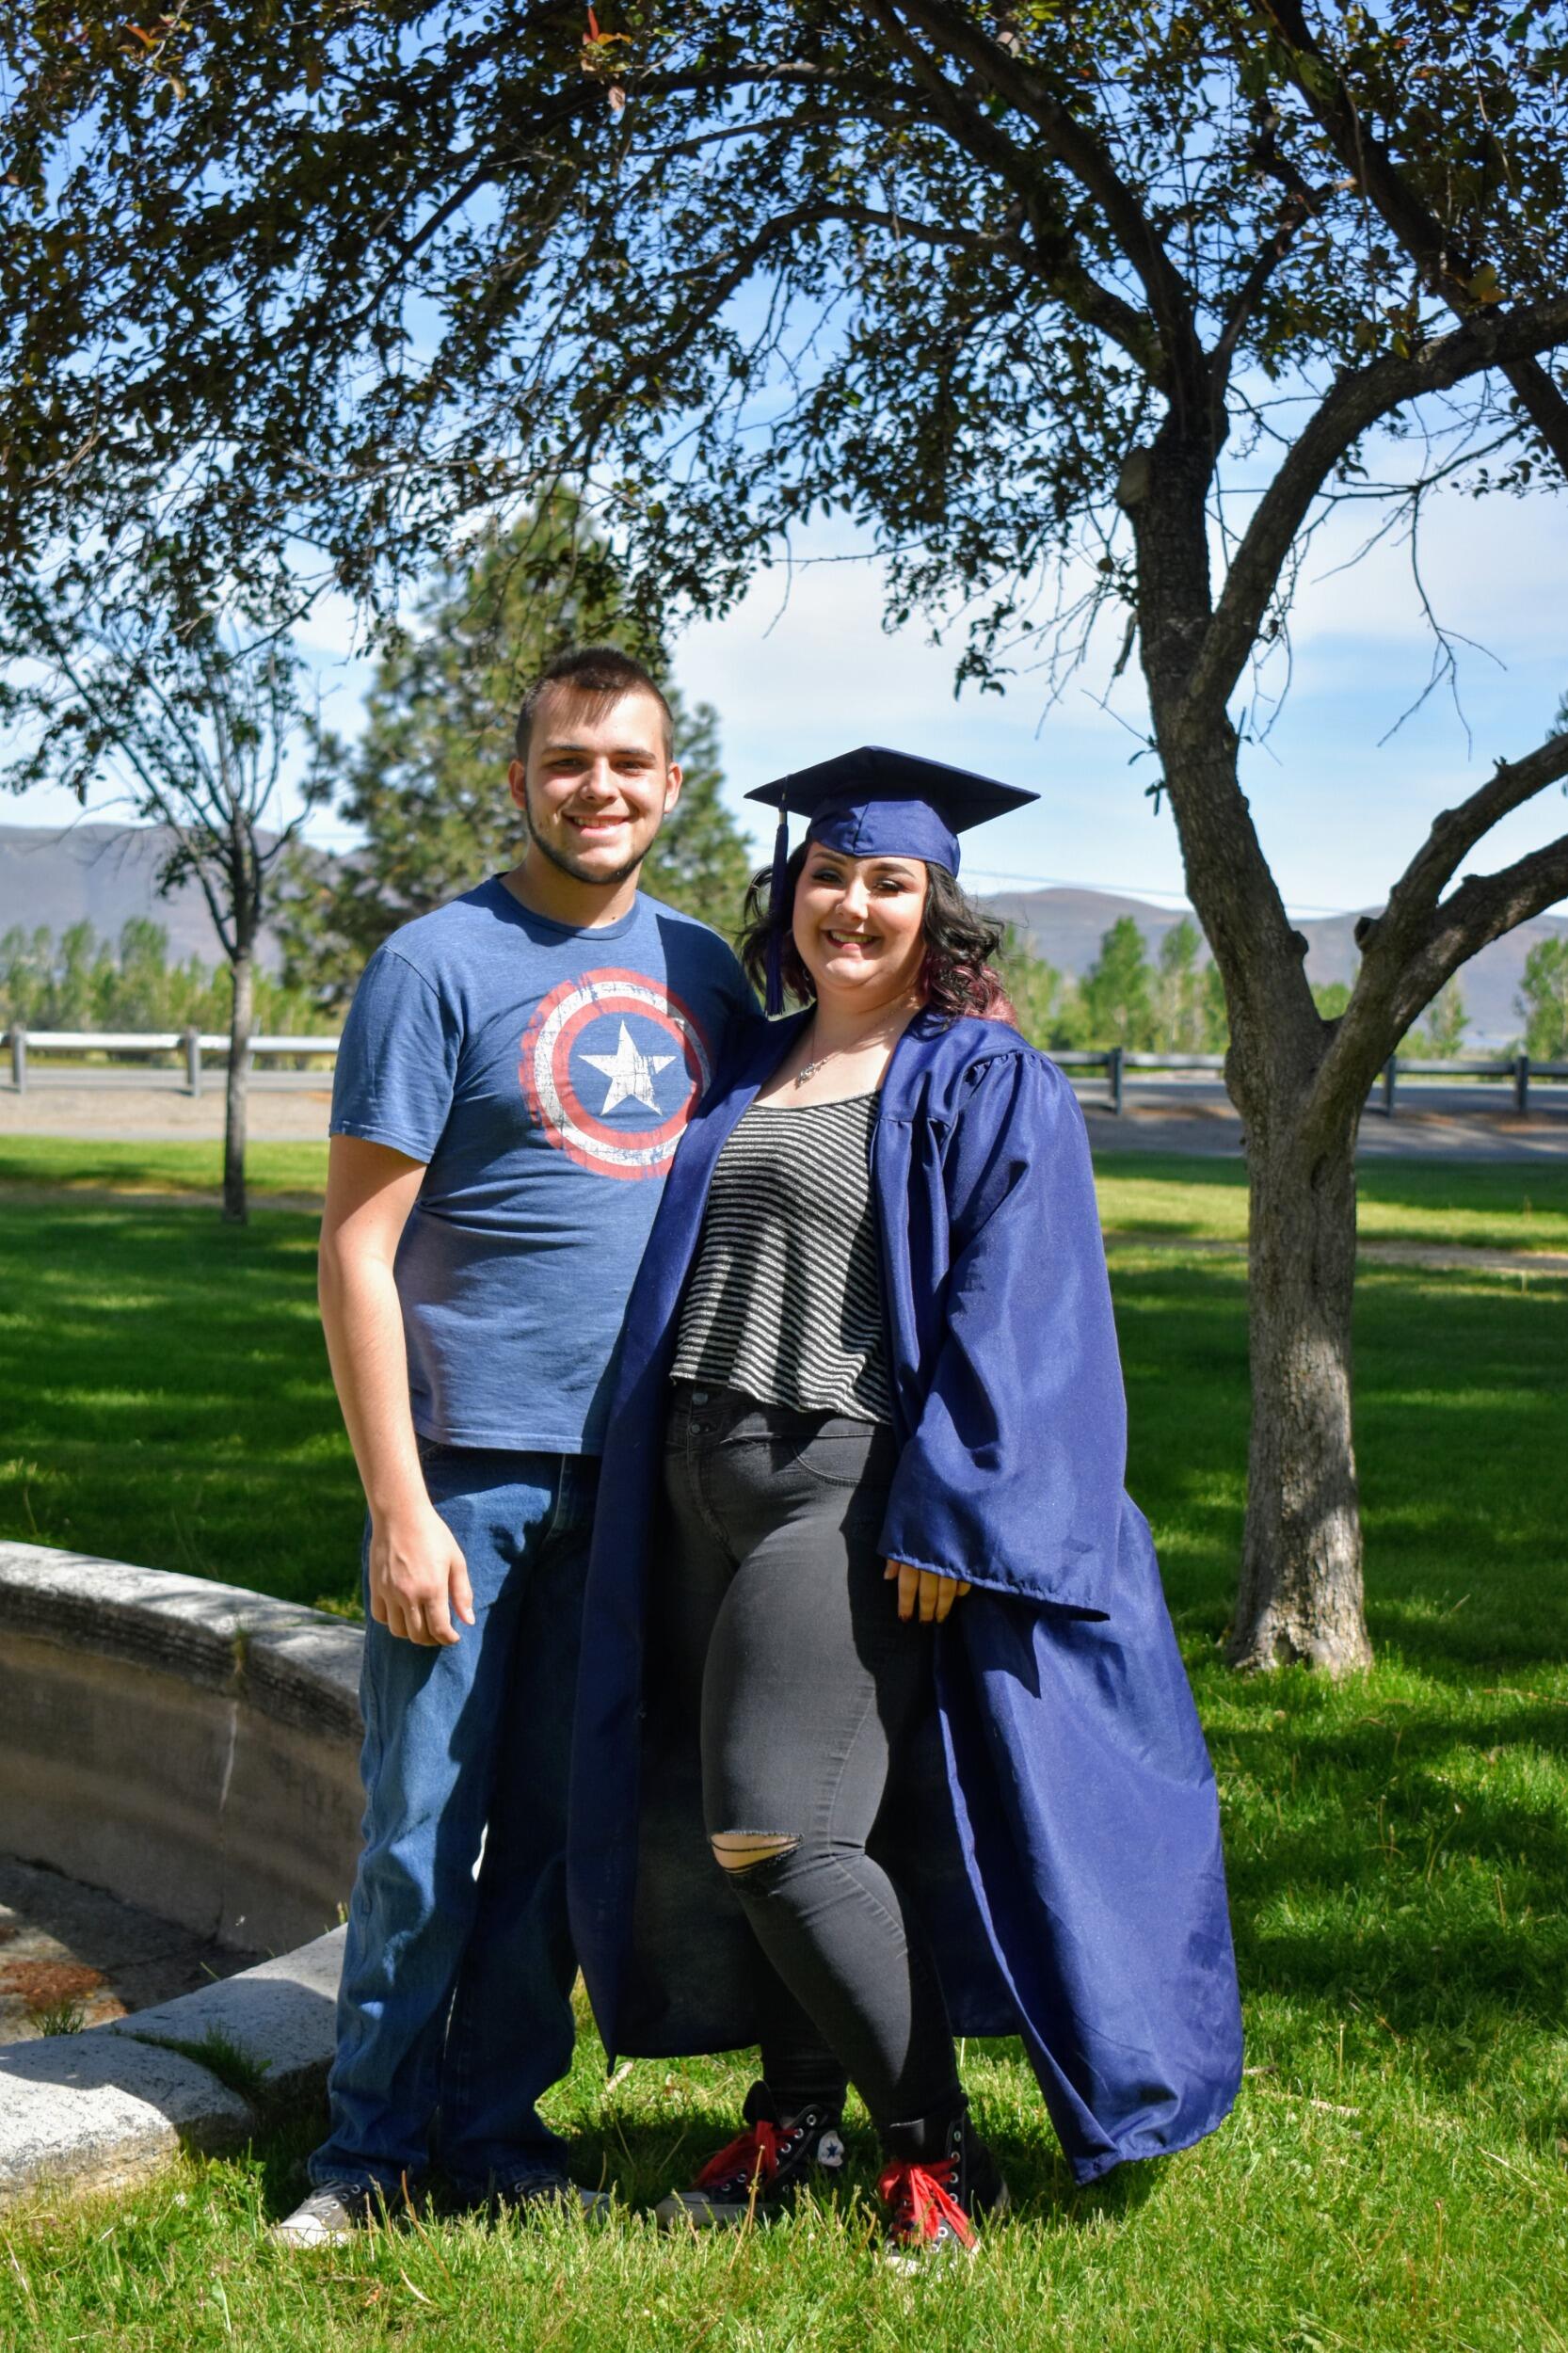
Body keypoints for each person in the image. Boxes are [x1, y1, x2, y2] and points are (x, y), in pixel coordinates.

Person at [568, 746, 1243, 2258]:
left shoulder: (980, 1076)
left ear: (935, 907)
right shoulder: (745, 1063)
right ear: (789, 891)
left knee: (775, 1829)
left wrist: (950, 1513)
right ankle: (797, 2104)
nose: (851, 904)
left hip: (847, 1485)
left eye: (886, 882)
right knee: (713, 1806)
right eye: (828, 875)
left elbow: (1024, 1303)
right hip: (693, 1476)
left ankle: (934, 2153)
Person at [272, 646, 755, 2245]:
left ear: (670, 785)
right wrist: (399, 1506)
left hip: (634, 1480)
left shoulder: (704, 974)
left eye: (628, 763)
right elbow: (355, 1246)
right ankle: (366, 2152)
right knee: (419, 1830)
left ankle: (491, 2132)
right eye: (567, 762)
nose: (597, 789)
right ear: (520, 779)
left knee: (560, 1826)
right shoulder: (434, 965)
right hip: (465, 1466)